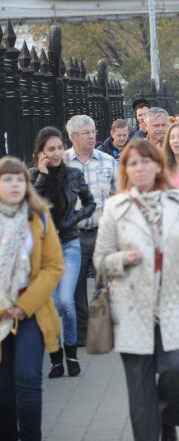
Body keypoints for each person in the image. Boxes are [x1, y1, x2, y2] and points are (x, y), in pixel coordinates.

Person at [94, 139, 179, 441]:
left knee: (176, 369)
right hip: (131, 307)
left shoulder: (177, 202)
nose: (140, 167)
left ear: (158, 165)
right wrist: (123, 259)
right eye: (133, 163)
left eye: (146, 161)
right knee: (140, 385)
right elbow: (100, 260)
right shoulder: (114, 207)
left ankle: (167, 413)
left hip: (174, 303)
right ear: (126, 170)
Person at [0, 156, 64, 441]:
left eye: (19, 179)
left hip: (30, 311)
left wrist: (22, 307)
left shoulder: (39, 216)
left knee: (27, 380)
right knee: (3, 391)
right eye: (6, 179)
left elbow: (53, 267)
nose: (14, 184)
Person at [30, 127, 95, 378]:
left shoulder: (74, 175)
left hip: (69, 245)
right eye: (51, 149)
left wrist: (74, 219)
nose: (57, 153)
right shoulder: (35, 176)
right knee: (52, 304)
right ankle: (56, 357)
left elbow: (90, 203)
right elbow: (31, 209)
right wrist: (43, 177)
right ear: (41, 153)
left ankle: (71, 355)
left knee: (66, 301)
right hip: (43, 250)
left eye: (59, 148)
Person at [64, 115, 117, 346]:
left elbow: (120, 195)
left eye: (93, 131)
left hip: (102, 232)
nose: (92, 136)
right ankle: (83, 333)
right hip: (73, 236)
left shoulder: (107, 161)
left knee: (107, 283)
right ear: (72, 136)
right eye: (86, 132)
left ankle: (106, 330)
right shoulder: (62, 163)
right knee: (75, 287)